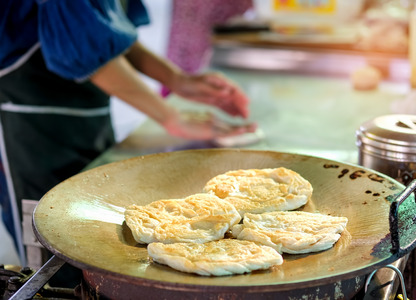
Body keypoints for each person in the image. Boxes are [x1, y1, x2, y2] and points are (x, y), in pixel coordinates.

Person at [0, 0, 255, 267]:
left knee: (93, 232)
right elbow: (81, 41)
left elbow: (105, 29)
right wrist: (170, 116)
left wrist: (177, 80)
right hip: (28, 120)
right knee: (54, 250)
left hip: (86, 108)